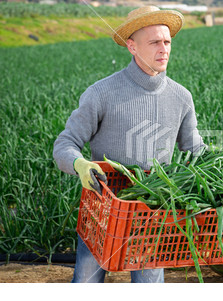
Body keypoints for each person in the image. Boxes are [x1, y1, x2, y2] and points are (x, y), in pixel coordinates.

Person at [53, 6, 205, 283]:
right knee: (86, 283)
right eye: (155, 42)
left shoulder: (181, 97)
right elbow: (65, 143)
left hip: (154, 213)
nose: (164, 49)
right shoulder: (101, 93)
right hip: (103, 210)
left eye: (167, 41)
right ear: (132, 47)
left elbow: (196, 150)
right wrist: (79, 164)